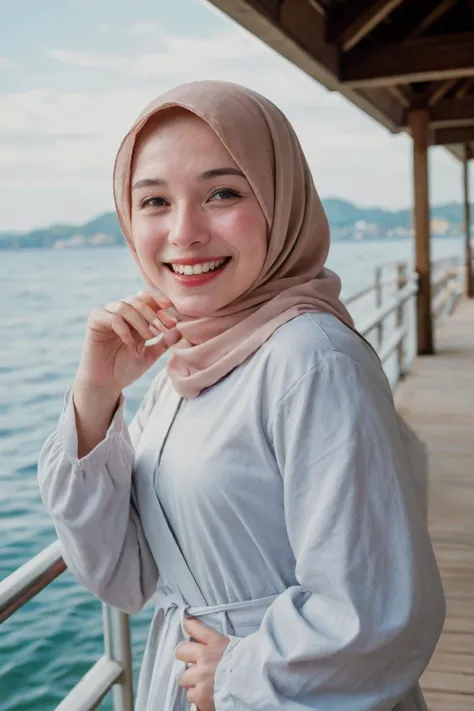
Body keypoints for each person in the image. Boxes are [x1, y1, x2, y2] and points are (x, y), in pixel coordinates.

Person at [38, 80, 445, 711]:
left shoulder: (311, 359)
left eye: (222, 193)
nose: (184, 232)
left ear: (282, 201)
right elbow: (123, 576)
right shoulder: (188, 363)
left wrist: (240, 673)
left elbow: (378, 607)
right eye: (153, 201)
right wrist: (96, 394)